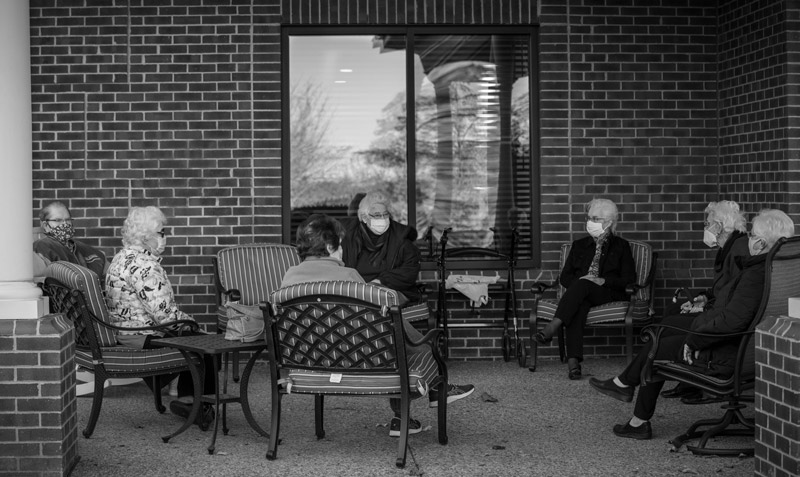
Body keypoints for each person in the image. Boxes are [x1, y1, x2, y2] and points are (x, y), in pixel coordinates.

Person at [589, 209, 795, 440]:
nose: (747, 238)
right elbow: (733, 310)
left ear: (760, 243)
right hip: (750, 352)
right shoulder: (780, 270)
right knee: (663, 332)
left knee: (657, 347)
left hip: (725, 354)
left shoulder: (755, 275)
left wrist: (694, 339)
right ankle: (627, 391)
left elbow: (732, 322)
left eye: (752, 235)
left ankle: (635, 413)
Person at [282, 214, 474, 438]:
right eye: (340, 246)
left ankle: (415, 408)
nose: (343, 251)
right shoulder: (348, 277)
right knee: (410, 344)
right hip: (359, 361)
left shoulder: (288, 281)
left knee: (397, 333)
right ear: (329, 246)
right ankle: (431, 392)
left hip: (308, 364)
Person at [104, 206, 215, 430]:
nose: (165, 238)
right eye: (161, 232)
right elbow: (165, 316)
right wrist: (193, 323)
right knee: (206, 343)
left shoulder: (121, 257)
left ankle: (189, 401)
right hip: (142, 336)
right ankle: (198, 404)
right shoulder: (146, 266)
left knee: (192, 334)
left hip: (125, 332)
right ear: (146, 237)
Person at [533, 198, 636, 380]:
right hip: (581, 294)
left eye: (595, 219)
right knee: (579, 302)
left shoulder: (621, 246)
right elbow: (565, 278)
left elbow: (628, 279)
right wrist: (583, 282)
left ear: (609, 222)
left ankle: (552, 327)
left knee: (584, 284)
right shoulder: (579, 245)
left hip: (607, 293)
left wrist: (602, 280)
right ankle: (574, 363)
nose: (590, 222)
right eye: (589, 218)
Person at [660, 200, 749, 401]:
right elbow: (723, 288)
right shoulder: (728, 247)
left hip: (723, 318)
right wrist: (703, 297)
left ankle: (688, 378)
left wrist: (703, 307)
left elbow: (733, 297)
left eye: (707, 224)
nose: (705, 229)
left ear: (719, 225)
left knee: (666, 325)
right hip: (718, 308)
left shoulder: (738, 250)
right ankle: (687, 381)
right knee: (673, 308)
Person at [340, 191, 422, 305]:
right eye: (377, 215)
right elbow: (337, 265)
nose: (383, 219)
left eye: (385, 214)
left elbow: (409, 270)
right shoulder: (348, 238)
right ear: (364, 217)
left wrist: (379, 283)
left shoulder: (401, 239)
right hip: (354, 293)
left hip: (390, 293)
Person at [33, 200, 109, 279]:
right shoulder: (41, 248)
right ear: (45, 225)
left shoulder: (91, 252)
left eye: (68, 219)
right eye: (58, 220)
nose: (65, 224)